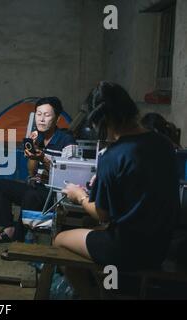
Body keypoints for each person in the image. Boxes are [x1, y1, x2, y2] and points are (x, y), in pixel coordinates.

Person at [55, 82, 180, 298]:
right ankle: (109, 287)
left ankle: (100, 296)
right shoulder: (164, 144)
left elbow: (103, 213)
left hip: (128, 248)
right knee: (90, 228)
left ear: (104, 121)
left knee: (60, 240)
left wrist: (79, 196)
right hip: (160, 246)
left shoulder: (113, 155)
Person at [0, 97, 76, 251]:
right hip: (37, 187)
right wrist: (33, 152)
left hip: (55, 194)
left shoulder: (67, 141)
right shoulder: (37, 137)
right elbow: (31, 172)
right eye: (38, 114)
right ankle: (9, 229)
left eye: (47, 115)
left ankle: (18, 241)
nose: (41, 119)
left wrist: (43, 158)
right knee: (0, 185)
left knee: (30, 196)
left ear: (57, 118)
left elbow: (66, 178)